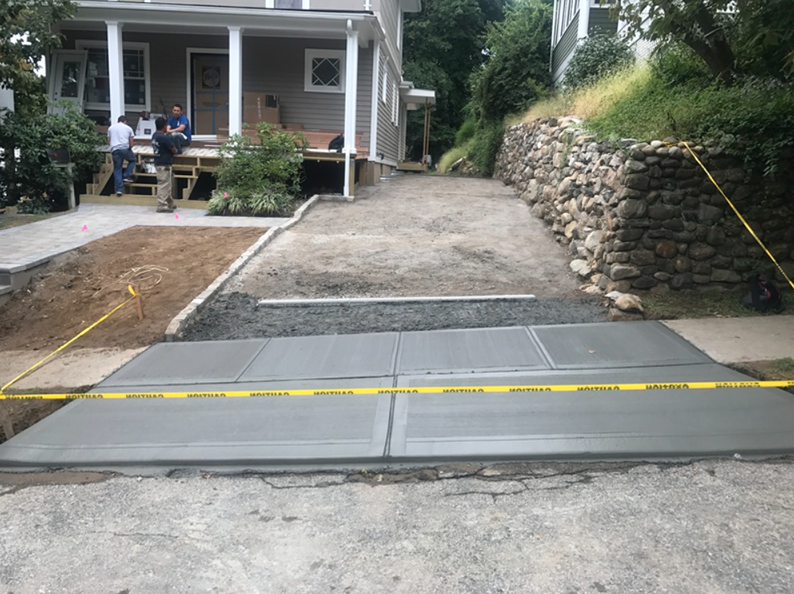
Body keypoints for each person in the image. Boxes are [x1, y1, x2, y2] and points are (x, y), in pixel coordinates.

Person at [151, 117, 178, 213]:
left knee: (168, 184)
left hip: (158, 162)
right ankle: (161, 205)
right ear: (164, 126)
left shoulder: (154, 136)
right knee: (163, 185)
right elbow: (173, 149)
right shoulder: (164, 137)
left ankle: (169, 203)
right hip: (164, 164)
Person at [107, 115, 136, 196]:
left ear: (118, 120)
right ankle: (126, 176)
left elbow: (109, 141)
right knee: (133, 160)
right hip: (125, 149)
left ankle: (119, 189)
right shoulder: (128, 128)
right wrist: (129, 148)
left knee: (117, 169)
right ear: (125, 121)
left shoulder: (111, 128)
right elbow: (131, 142)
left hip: (115, 150)